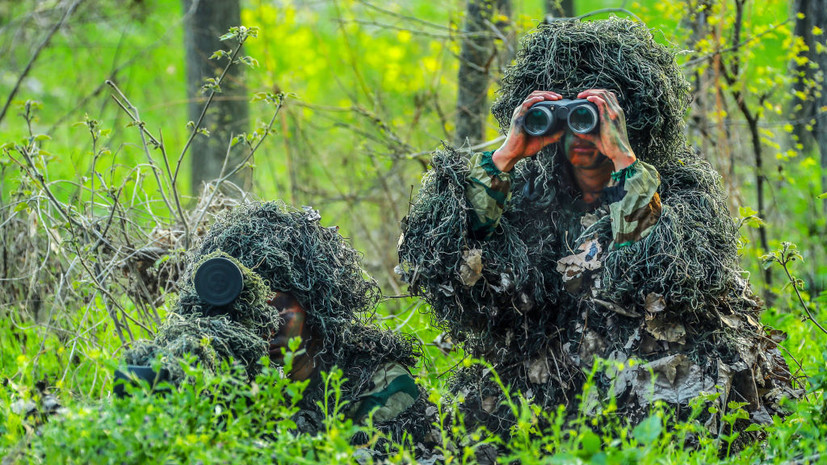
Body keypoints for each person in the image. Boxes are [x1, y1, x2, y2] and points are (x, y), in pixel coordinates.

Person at [398, 18, 800, 436]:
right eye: (567, 118)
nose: (581, 130)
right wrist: (505, 156)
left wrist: (624, 158)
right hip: (550, 381)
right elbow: (442, 264)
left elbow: (661, 275)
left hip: (654, 378)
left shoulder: (677, 189)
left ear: (628, 119)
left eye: (591, 116)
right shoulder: (524, 199)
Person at [120, 201, 435, 446]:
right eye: (247, 311)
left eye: (277, 306)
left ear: (314, 304)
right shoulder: (236, 375)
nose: (265, 324)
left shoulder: (381, 384)